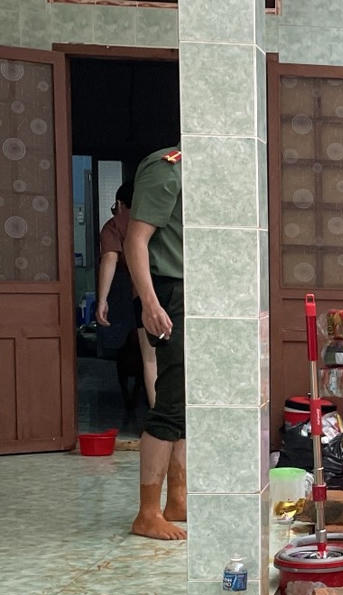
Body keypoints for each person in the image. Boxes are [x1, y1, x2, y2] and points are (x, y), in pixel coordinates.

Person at [126, 148, 186, 541]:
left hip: (189, 291)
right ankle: (147, 512)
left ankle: (177, 498)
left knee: (187, 400)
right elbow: (136, 239)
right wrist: (150, 303)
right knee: (169, 401)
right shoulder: (166, 171)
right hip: (168, 292)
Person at [94, 182, 154, 421]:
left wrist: (102, 300)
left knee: (151, 361)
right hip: (178, 293)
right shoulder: (160, 217)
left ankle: (161, 425)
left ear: (119, 204)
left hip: (146, 298)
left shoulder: (114, 225)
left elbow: (109, 259)